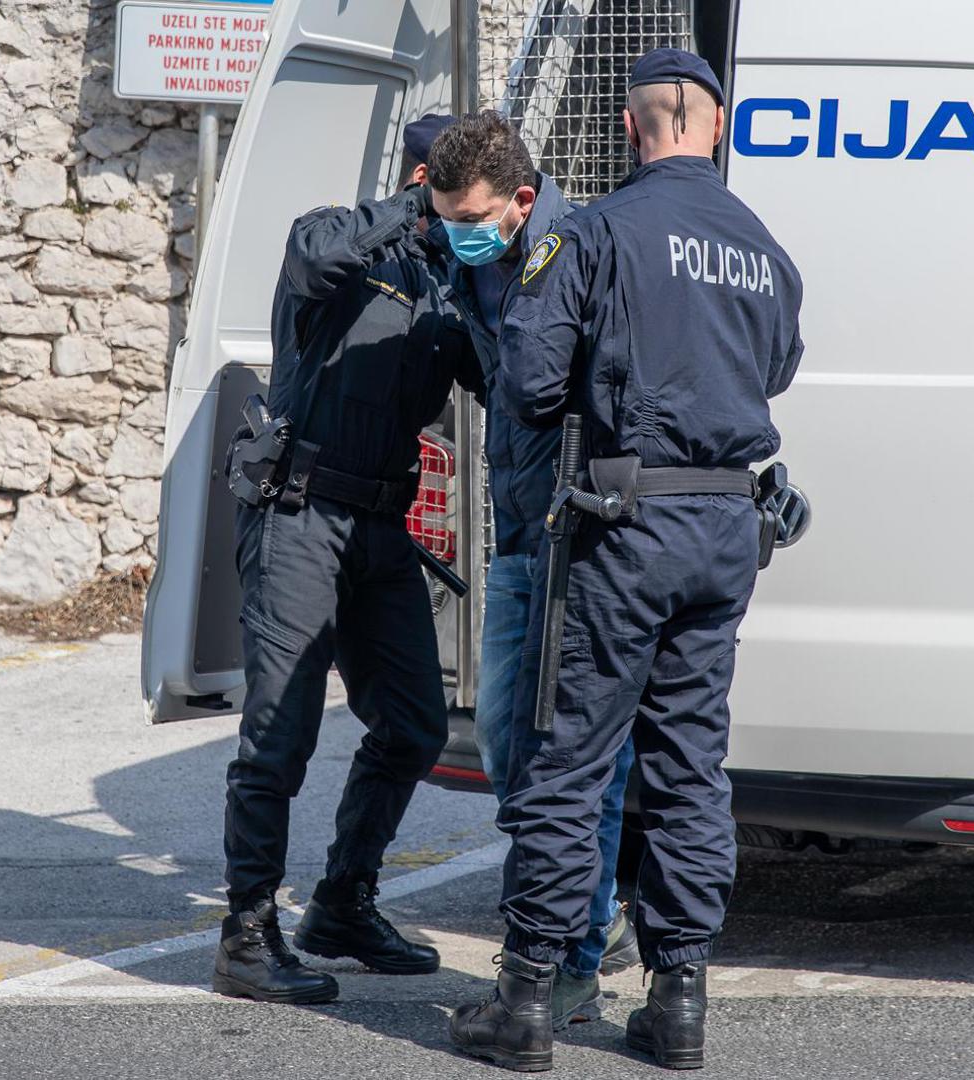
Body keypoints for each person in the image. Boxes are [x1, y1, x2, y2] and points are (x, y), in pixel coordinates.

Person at [447, 50, 804, 1071]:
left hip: (624, 525)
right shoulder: (764, 252)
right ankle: (678, 1002)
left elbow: (526, 379)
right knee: (689, 767)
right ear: (720, 130)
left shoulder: (594, 234)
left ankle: (524, 1002)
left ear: (627, 124)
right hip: (725, 529)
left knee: (569, 760)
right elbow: (773, 369)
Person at [214, 113, 484, 1004]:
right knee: (277, 735)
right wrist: (409, 207)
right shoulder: (336, 235)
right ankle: (247, 936)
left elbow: (507, 377)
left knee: (412, 724)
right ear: (421, 177)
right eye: (450, 188)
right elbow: (314, 261)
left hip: (379, 530)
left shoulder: (451, 284)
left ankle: (340, 903)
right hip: (299, 512)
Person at [422, 111, 639, 1029]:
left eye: (467, 216)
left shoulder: (577, 252)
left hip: (575, 538)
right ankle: (567, 933)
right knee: (513, 754)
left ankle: (574, 956)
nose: (456, 233)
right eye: (443, 218)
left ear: (519, 199)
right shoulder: (482, 257)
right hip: (516, 534)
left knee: (571, 759)